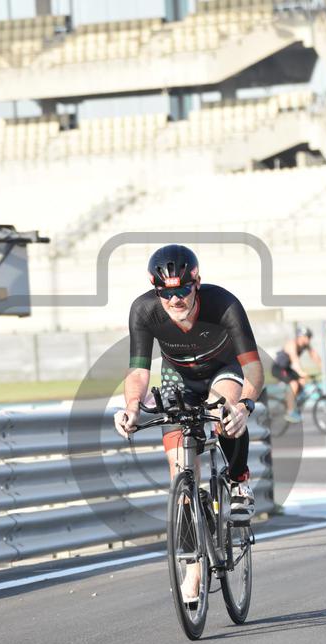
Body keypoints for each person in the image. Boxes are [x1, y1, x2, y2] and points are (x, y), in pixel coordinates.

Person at [114, 244, 264, 601]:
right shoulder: (144, 310)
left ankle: (239, 481)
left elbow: (254, 369)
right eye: (165, 293)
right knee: (179, 471)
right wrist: (132, 407)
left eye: (182, 290)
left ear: (196, 283)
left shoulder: (223, 304)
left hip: (223, 369)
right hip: (177, 378)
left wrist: (245, 405)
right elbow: (138, 370)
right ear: (155, 291)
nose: (174, 299)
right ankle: (193, 568)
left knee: (223, 410)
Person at [271, 327, 321, 423]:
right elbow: (294, 359)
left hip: (287, 369)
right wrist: (300, 372)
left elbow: (314, 356)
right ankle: (290, 412)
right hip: (278, 368)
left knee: (302, 381)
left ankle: (292, 401)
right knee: (294, 384)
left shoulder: (305, 345)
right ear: (301, 337)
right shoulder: (292, 344)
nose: (309, 339)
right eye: (307, 337)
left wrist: (323, 367)